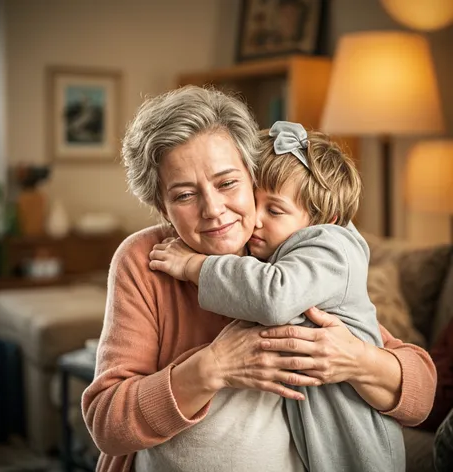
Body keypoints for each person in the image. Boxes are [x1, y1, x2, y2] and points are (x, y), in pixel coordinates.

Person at [82, 86, 437, 472]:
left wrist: (354, 358)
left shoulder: (286, 253)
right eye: (184, 195)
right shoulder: (146, 260)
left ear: (252, 175)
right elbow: (107, 423)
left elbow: (420, 394)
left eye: (227, 183)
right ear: (162, 208)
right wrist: (213, 366)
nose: (214, 210)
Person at [149, 121, 404, 471]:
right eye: (256, 203)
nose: (255, 221)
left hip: (354, 437)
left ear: (321, 219)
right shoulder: (279, 248)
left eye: (275, 210)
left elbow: (274, 296)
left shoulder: (331, 247)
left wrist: (195, 266)